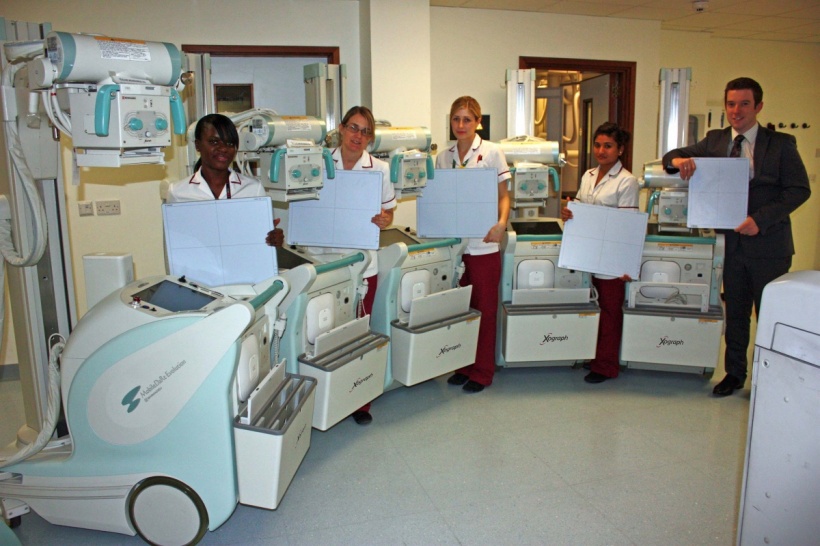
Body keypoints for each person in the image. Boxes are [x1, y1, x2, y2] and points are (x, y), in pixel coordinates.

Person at [663, 77, 810, 397]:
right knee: (737, 312)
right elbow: (672, 156)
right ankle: (734, 373)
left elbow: (799, 190)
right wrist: (677, 161)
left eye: (744, 104)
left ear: (758, 106)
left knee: (769, 315)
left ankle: (771, 378)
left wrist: (760, 220)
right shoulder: (715, 140)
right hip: (730, 244)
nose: (736, 110)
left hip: (768, 244)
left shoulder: (781, 143)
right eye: (731, 104)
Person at [308, 106, 396, 424]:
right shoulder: (317, 162)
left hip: (361, 266)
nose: (358, 136)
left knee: (359, 333)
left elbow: (388, 215)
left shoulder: (380, 170)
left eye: (365, 131)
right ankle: (327, 400)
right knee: (323, 334)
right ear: (341, 129)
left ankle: (360, 401)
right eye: (353, 128)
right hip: (323, 262)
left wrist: (385, 219)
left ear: (371, 138)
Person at [435, 96, 511, 393]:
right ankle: (463, 365)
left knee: (484, 309)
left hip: (484, 244)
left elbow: (504, 195)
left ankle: (482, 371)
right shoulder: (444, 156)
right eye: (456, 119)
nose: (461, 125)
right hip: (457, 248)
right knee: (461, 310)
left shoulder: (492, 152)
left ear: (479, 122)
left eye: (468, 119)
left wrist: (502, 224)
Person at [561, 122, 639, 384]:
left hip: (611, 258)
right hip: (587, 252)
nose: (601, 150)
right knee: (591, 308)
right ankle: (591, 356)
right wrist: (568, 212)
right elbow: (581, 210)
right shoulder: (588, 175)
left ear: (620, 150)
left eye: (608, 146)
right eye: (597, 145)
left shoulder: (627, 181)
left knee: (609, 313)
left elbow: (627, 226)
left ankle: (606, 365)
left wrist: (626, 265)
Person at [166, 113, 284, 246]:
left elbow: (261, 241)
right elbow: (174, 246)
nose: (223, 148)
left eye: (229, 143)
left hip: (241, 264)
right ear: (198, 145)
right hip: (200, 265)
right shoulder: (178, 192)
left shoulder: (253, 189)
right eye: (214, 141)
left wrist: (274, 240)